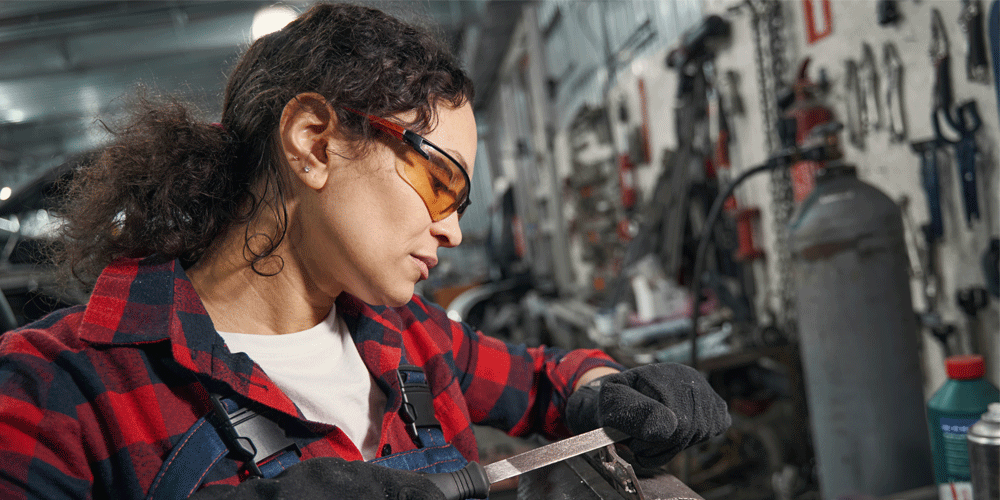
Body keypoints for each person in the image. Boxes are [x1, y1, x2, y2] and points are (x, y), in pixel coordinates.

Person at [0, 3, 730, 499]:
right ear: (313, 143)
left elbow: (546, 382)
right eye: (442, 184)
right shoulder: (50, 393)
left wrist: (607, 387)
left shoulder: (409, 339)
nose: (453, 231)